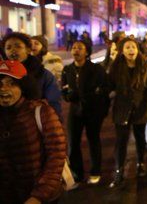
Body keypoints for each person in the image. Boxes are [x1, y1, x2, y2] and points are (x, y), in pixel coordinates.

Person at [0, 60, 67, 203]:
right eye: (0, 84)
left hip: (41, 196)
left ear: (24, 86)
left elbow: (57, 155)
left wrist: (38, 196)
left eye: (11, 83)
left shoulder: (41, 112)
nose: (4, 89)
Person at [107, 38, 147, 188]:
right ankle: (119, 171)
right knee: (121, 142)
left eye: (133, 47)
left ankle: (141, 163)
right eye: (127, 47)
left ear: (138, 50)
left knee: (140, 139)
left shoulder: (145, 67)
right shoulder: (116, 67)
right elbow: (108, 85)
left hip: (140, 109)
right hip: (122, 111)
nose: (131, 50)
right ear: (122, 51)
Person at [61, 40, 109, 185]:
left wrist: (89, 97)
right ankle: (77, 172)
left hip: (93, 110)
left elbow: (103, 89)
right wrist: (68, 96)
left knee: (93, 139)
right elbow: (64, 89)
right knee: (73, 142)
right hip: (75, 110)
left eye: (80, 48)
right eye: (74, 48)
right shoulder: (67, 69)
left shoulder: (96, 69)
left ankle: (95, 171)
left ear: (87, 52)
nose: (76, 50)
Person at [2, 32, 62, 118]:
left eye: (18, 46)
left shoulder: (43, 74)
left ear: (28, 50)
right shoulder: (2, 74)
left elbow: (54, 104)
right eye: (8, 48)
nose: (13, 50)